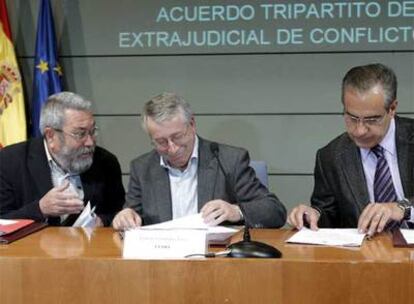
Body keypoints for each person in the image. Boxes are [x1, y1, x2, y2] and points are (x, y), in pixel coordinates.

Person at [112, 92, 286, 229]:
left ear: (192, 124)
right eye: (161, 142)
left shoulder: (229, 160)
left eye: (177, 137)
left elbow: (274, 211)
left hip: (214, 260)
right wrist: (125, 217)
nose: (172, 148)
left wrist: (236, 211)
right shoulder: (142, 168)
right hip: (162, 261)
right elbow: (131, 214)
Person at [288, 63, 414, 236]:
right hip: (364, 256)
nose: (359, 130)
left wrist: (403, 208)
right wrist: (313, 215)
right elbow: (329, 215)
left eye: (371, 120)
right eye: (352, 118)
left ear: (392, 109)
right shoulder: (331, 156)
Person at [0, 92, 125, 226]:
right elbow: (2, 221)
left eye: (92, 131)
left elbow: (116, 212)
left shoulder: (106, 162)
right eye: (80, 134)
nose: (90, 142)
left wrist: (102, 221)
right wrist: (40, 209)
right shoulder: (9, 162)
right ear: (51, 136)